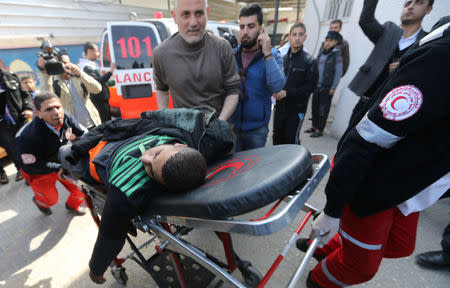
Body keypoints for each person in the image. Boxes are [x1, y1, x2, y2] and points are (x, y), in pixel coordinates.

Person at [296, 17, 450, 288]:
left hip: (409, 184)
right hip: (375, 182)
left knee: (399, 246)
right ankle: (318, 281)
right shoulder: (439, 58)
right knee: (361, 267)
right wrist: (333, 210)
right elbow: (367, 140)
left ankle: (329, 248)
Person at [58, 107, 233, 284]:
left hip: (99, 154)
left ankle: (66, 158)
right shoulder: (193, 139)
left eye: (150, 170)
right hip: (119, 134)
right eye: (157, 153)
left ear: (160, 184)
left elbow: (109, 235)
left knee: (65, 152)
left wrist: (95, 270)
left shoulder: (126, 186)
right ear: (180, 145)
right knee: (79, 143)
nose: (144, 159)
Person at [347, 0, 433, 125]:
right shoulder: (388, 30)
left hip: (395, 112)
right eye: (407, 3)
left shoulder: (425, 43)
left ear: (428, 9)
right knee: (347, 142)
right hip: (366, 103)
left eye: (418, 2)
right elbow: (366, 21)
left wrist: (404, 68)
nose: (410, 6)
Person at [152, 0, 240, 121]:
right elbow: (161, 89)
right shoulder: (161, 54)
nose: (193, 22)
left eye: (199, 13)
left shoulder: (223, 48)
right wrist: (164, 120)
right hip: (183, 136)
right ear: (174, 16)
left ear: (207, 13)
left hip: (219, 135)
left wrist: (219, 125)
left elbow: (233, 91)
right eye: (185, 14)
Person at [16, 92, 87, 216]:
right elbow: (29, 165)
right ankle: (41, 202)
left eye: (58, 107)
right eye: (49, 109)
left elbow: (82, 134)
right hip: (38, 171)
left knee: (82, 189)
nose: (56, 112)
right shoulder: (27, 137)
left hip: (62, 162)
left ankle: (72, 206)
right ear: (38, 114)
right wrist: (57, 167)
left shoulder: (66, 117)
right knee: (50, 200)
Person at [230, 3, 286, 151]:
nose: (245, 31)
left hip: (257, 129)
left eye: (251, 26)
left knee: (253, 171)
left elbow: (277, 86)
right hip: (232, 126)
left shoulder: (272, 55)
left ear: (261, 28)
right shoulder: (232, 54)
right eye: (242, 27)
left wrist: (267, 53)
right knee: (231, 171)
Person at [273, 23, 318, 145]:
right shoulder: (282, 59)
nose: (297, 38)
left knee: (291, 141)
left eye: (300, 34)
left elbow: (311, 87)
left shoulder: (310, 61)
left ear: (305, 37)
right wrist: (274, 90)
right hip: (279, 108)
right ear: (289, 37)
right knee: (276, 139)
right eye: (294, 34)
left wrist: (287, 92)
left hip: (296, 110)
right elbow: (276, 79)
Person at [38, 52, 102, 128]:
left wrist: (80, 74)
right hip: (73, 129)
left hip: (93, 123)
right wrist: (44, 73)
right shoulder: (53, 82)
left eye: (65, 63)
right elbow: (46, 97)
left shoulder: (79, 77)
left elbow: (97, 89)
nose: (62, 66)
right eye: (59, 64)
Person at [0, 68, 34, 184]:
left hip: (20, 119)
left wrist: (28, 108)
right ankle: (24, 171)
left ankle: (36, 169)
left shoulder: (10, 76)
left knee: (28, 144)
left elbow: (25, 95)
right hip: (3, 126)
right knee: (12, 149)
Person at [306, 31, 342, 138]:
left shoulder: (337, 55)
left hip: (327, 87)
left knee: (323, 109)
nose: (327, 43)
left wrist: (333, 87)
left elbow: (338, 73)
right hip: (317, 86)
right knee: (315, 108)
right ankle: (314, 126)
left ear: (335, 42)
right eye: (326, 40)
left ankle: (319, 129)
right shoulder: (321, 52)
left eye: (330, 41)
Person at [78, 42, 114, 123]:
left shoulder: (92, 65)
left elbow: (101, 80)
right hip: (97, 100)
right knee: (104, 123)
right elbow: (97, 82)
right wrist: (111, 72)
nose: (99, 54)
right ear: (89, 51)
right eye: (96, 50)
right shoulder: (86, 66)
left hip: (102, 99)